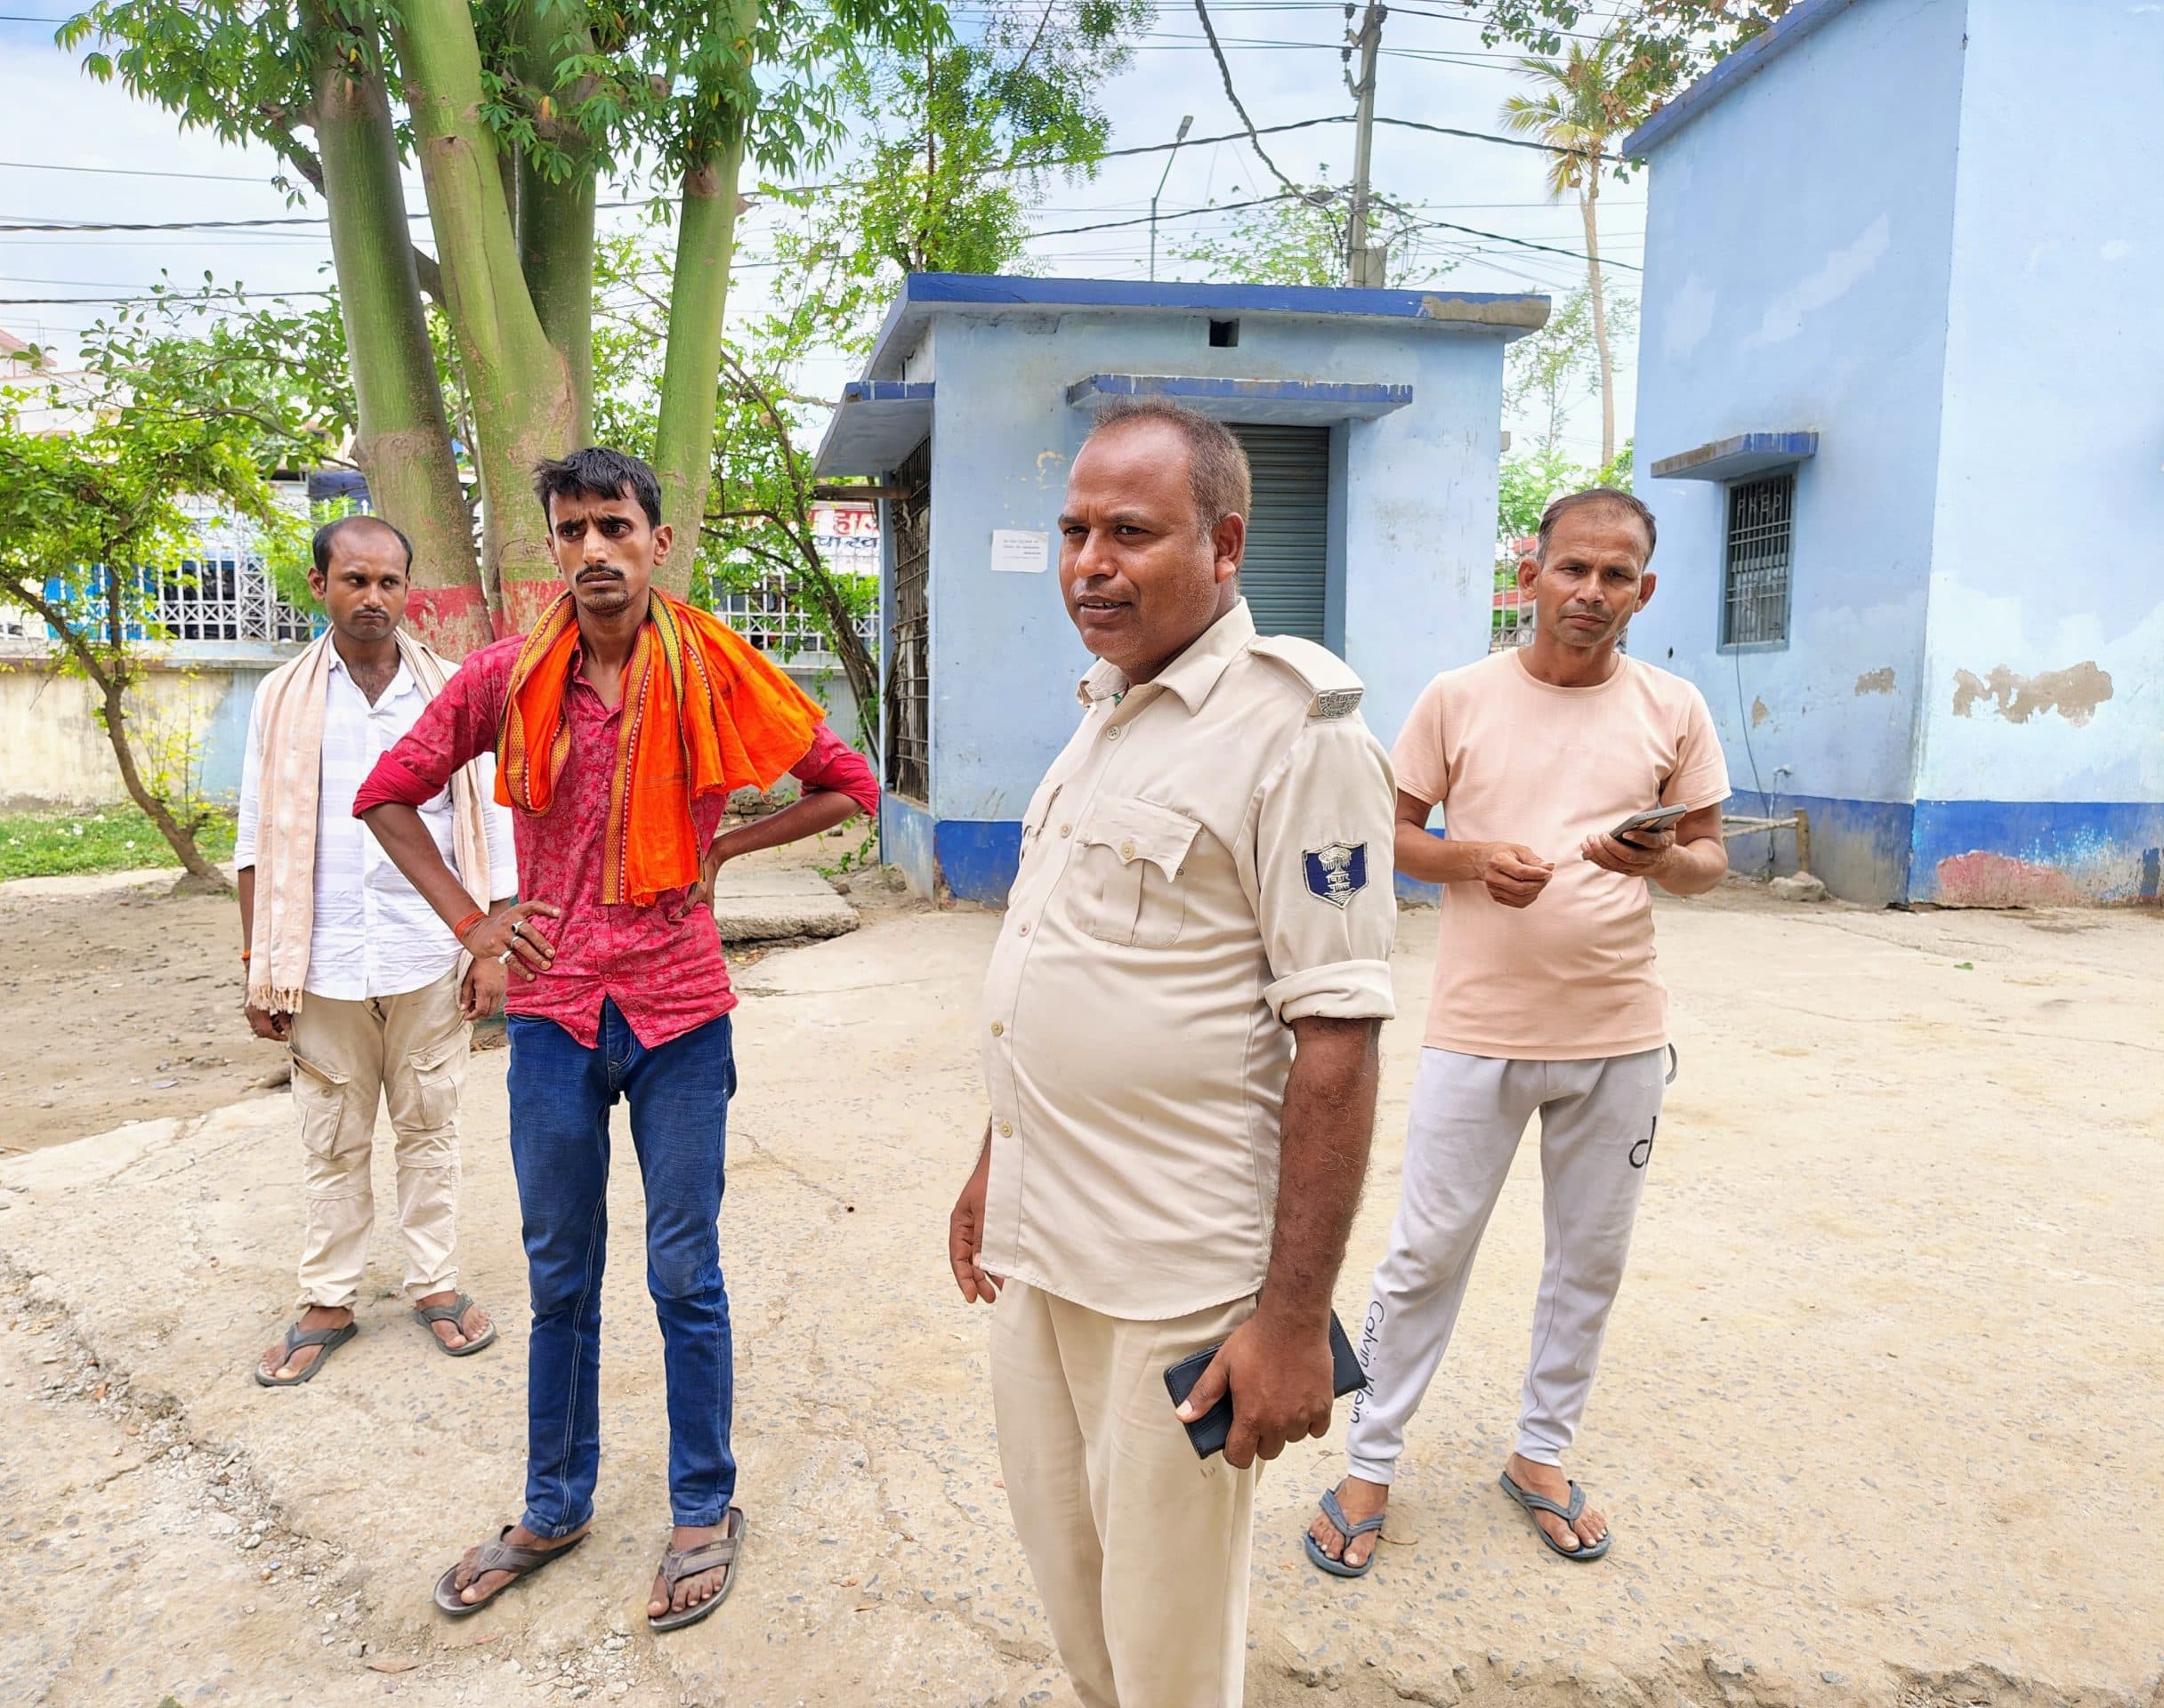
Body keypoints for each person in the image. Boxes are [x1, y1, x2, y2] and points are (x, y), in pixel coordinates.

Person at [351, 447, 877, 1630]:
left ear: (656, 542)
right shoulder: (504, 678)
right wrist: (473, 921)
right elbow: (389, 789)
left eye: (615, 528)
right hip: (549, 1018)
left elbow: (851, 783)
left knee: (684, 1272)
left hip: (681, 1010)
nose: (595, 551)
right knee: (560, 1276)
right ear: (554, 549)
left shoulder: (719, 670)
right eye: (574, 532)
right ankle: (554, 1503)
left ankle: (703, 1508)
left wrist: (726, 850)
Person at [946, 398, 1398, 1708]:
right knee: (1077, 1600)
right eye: (1076, 529)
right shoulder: (1108, 711)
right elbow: (1053, 970)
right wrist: (992, 1165)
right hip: (1043, 1252)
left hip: (1176, 1284)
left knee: (1170, 1645)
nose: (1092, 562)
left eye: (1131, 532)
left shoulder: (1296, 735)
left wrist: (1292, 1321)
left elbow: (1337, 1045)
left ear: (1224, 543)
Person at [1303, 487, 1730, 1577]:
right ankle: (1369, 1460)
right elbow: (1391, 834)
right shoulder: (1457, 698)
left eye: (1616, 575)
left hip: (1619, 1035)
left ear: (1644, 591)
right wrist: (1472, 857)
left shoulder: (1672, 708)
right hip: (1478, 1032)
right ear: (1529, 575)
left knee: (1588, 1257)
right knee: (1426, 1252)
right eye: (1572, 569)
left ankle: (1539, 1455)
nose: (1591, 593)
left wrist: (1659, 861)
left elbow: (1709, 861)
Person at [238, 513, 517, 1388]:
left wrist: (489, 948)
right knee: (331, 1133)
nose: (372, 598)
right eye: (354, 580)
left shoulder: (450, 694)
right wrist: (259, 964)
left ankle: (434, 1283)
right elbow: (254, 840)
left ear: (408, 590)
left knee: (432, 1123)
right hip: (318, 961)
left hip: (427, 953)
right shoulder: (282, 700)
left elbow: (492, 827)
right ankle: (329, 1297)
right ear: (318, 585)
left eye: (388, 581)